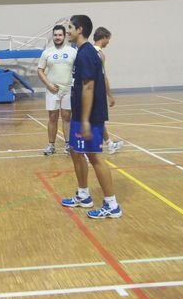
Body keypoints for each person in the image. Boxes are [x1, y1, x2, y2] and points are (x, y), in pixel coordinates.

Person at [61, 15, 122, 219]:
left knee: (95, 157)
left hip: (90, 116)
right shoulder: (82, 52)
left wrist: (85, 119)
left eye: (69, 27)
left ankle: (112, 205)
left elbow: (88, 87)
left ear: (79, 29)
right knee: (75, 151)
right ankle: (84, 195)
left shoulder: (87, 54)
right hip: (80, 113)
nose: (67, 30)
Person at [37, 25, 76, 155]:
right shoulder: (47, 52)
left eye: (60, 35)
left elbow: (79, 69)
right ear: (52, 36)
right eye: (55, 35)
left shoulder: (72, 51)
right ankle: (51, 145)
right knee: (52, 117)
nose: (57, 37)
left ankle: (68, 145)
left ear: (64, 36)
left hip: (68, 90)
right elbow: (40, 70)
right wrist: (48, 84)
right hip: (52, 90)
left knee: (66, 117)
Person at [93, 27, 124, 155]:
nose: (109, 42)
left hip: (91, 93)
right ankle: (92, 150)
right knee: (96, 121)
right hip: (95, 93)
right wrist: (110, 95)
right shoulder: (98, 54)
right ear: (104, 37)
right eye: (108, 39)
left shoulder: (87, 51)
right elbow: (103, 77)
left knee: (97, 120)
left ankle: (109, 143)